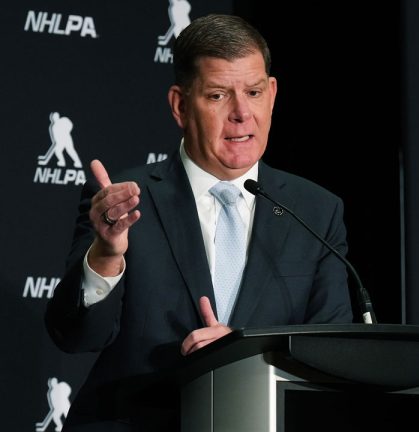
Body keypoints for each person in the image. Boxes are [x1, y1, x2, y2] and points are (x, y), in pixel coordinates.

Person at [45, 14, 353, 431]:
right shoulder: (124, 201)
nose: (242, 114)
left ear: (273, 94)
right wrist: (105, 256)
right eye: (217, 95)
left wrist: (245, 356)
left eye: (254, 92)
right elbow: (76, 337)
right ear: (180, 105)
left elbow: (334, 354)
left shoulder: (316, 211)